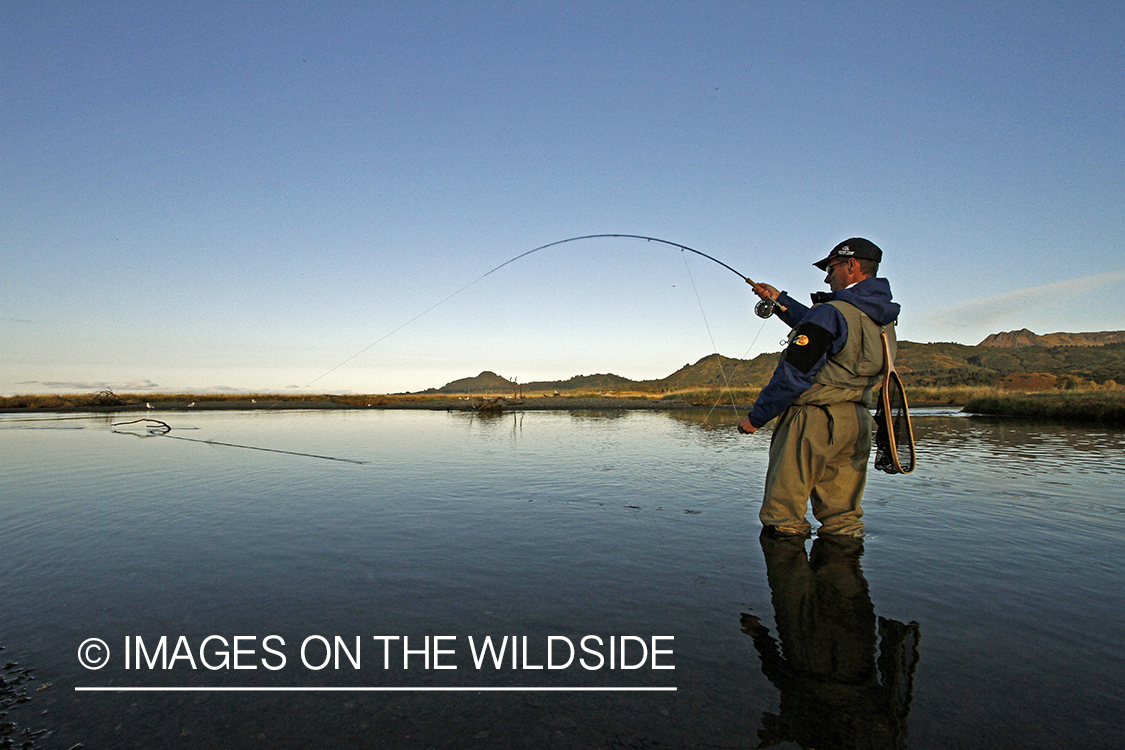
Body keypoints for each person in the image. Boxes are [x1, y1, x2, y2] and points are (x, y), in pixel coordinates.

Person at [737, 238, 900, 539]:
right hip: (857, 423)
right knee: (843, 521)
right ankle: (844, 582)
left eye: (831, 267)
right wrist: (778, 299)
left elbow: (793, 375)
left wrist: (756, 418)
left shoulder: (831, 312)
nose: (826, 276)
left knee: (782, 520)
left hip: (812, 423)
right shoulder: (883, 319)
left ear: (851, 266)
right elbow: (825, 326)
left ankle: (790, 583)